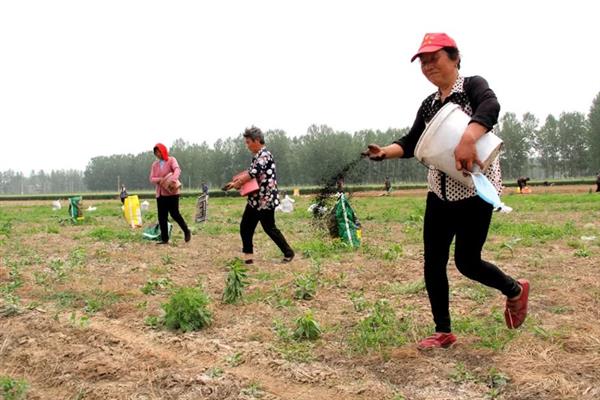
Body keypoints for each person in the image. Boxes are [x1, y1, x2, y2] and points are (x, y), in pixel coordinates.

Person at [363, 33, 529, 349]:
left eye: (434, 58)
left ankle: (515, 290)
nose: (427, 66)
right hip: (438, 192)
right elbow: (412, 141)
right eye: (423, 62)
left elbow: (490, 107)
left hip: (474, 189)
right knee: (433, 263)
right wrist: (385, 151)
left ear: (454, 58)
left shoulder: (472, 87)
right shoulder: (428, 105)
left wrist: (469, 137)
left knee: (468, 262)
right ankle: (443, 331)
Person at [224, 126, 294, 264]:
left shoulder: (264, 155)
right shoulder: (257, 157)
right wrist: (234, 183)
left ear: (256, 140)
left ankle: (288, 252)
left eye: (248, 142)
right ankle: (248, 257)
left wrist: (238, 183)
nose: (247, 145)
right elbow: (251, 174)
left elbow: (253, 173)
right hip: (255, 199)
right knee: (246, 226)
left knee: (269, 227)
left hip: (265, 199)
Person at [149, 143, 191, 244]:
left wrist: (173, 179)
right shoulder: (155, 165)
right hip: (160, 194)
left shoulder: (171, 160)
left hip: (172, 192)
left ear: (163, 151)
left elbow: (177, 169)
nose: (157, 154)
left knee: (175, 214)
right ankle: (165, 239)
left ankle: (186, 231)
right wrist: (161, 180)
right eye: (155, 153)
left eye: (158, 152)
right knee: (162, 217)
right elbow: (151, 178)